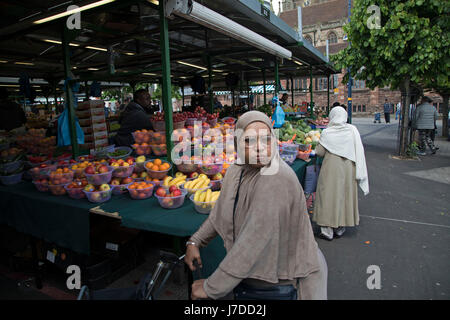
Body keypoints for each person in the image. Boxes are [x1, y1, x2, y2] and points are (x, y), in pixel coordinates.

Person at [185, 111, 328, 300]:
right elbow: (222, 211)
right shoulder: (237, 170)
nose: (259, 148)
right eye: (249, 141)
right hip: (254, 277)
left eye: (266, 140)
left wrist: (211, 288)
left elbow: (253, 241)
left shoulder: (276, 177)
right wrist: (196, 241)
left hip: (285, 282)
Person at [313, 107, 369, 241]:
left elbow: (319, 152)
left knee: (328, 195)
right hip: (349, 167)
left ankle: (327, 230)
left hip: (331, 168)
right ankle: (340, 227)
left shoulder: (327, 132)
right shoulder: (352, 130)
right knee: (344, 195)